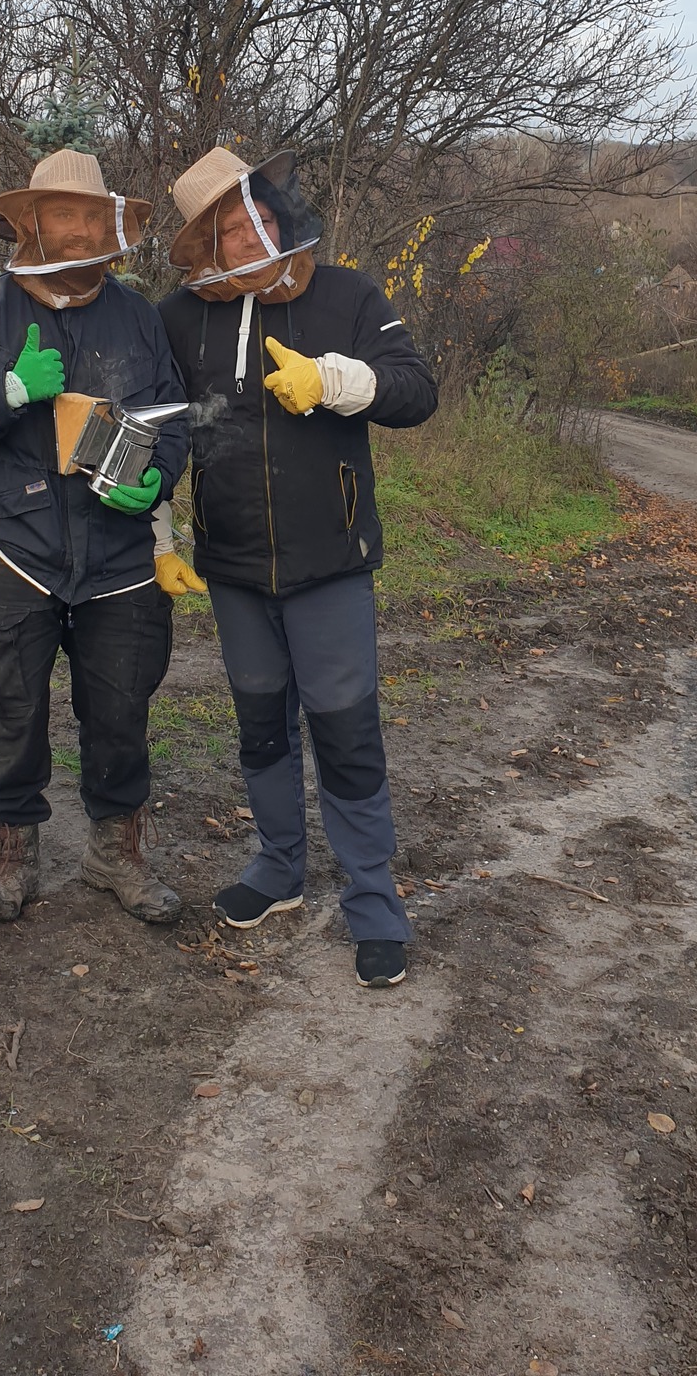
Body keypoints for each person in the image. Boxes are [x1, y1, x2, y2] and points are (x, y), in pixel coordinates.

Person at [158, 147, 438, 988]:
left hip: (332, 561)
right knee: (260, 728)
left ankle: (374, 905)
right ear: (207, 245)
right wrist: (159, 537)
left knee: (347, 732)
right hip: (235, 567)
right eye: (232, 228)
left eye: (262, 217)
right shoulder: (183, 317)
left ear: (283, 215)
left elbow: (416, 391)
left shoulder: (345, 294)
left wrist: (335, 380)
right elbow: (161, 431)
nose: (253, 234)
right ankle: (278, 869)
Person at [0, 149, 190, 926]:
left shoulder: (136, 316)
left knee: (121, 707)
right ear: (30, 222)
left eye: (90, 216)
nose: (78, 231)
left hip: (120, 556)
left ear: (111, 224)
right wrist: (4, 392)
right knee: (8, 707)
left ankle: (118, 855)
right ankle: (12, 859)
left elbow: (170, 420)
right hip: (13, 547)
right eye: (61, 215)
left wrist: (158, 477)